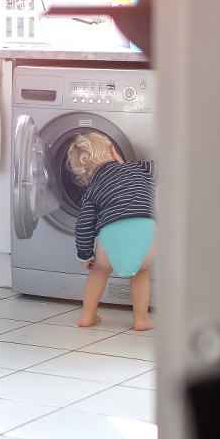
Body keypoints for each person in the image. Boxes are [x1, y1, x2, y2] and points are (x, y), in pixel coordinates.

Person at [66, 132, 157, 331]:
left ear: (84, 174)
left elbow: (84, 226)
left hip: (111, 236)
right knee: (141, 271)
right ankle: (141, 319)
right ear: (114, 152)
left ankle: (87, 315)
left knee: (99, 270)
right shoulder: (139, 168)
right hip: (147, 232)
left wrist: (84, 256)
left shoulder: (92, 191)